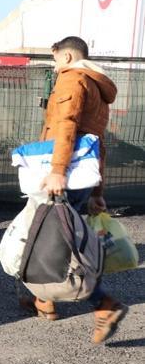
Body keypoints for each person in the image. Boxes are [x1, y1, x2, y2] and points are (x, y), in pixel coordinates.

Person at [21, 35, 127, 344]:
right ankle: (45, 301)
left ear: (66, 57)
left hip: (62, 174)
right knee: (60, 239)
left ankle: (104, 304)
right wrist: (96, 190)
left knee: (45, 238)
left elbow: (65, 126)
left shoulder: (72, 79)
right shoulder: (96, 86)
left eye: (54, 59)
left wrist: (56, 172)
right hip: (81, 176)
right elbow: (97, 145)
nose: (54, 66)